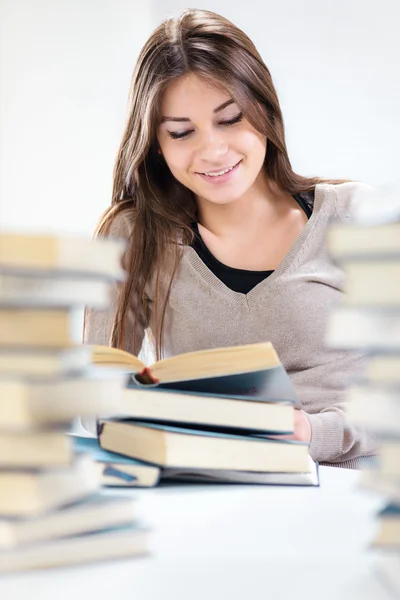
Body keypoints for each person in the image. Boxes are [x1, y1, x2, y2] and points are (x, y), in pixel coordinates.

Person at [84, 8, 376, 468]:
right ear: (156, 144)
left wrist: (312, 433)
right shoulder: (133, 237)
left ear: (263, 108)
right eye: (182, 132)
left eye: (231, 119)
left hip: (349, 491)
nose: (213, 151)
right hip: (214, 495)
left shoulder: (356, 217)